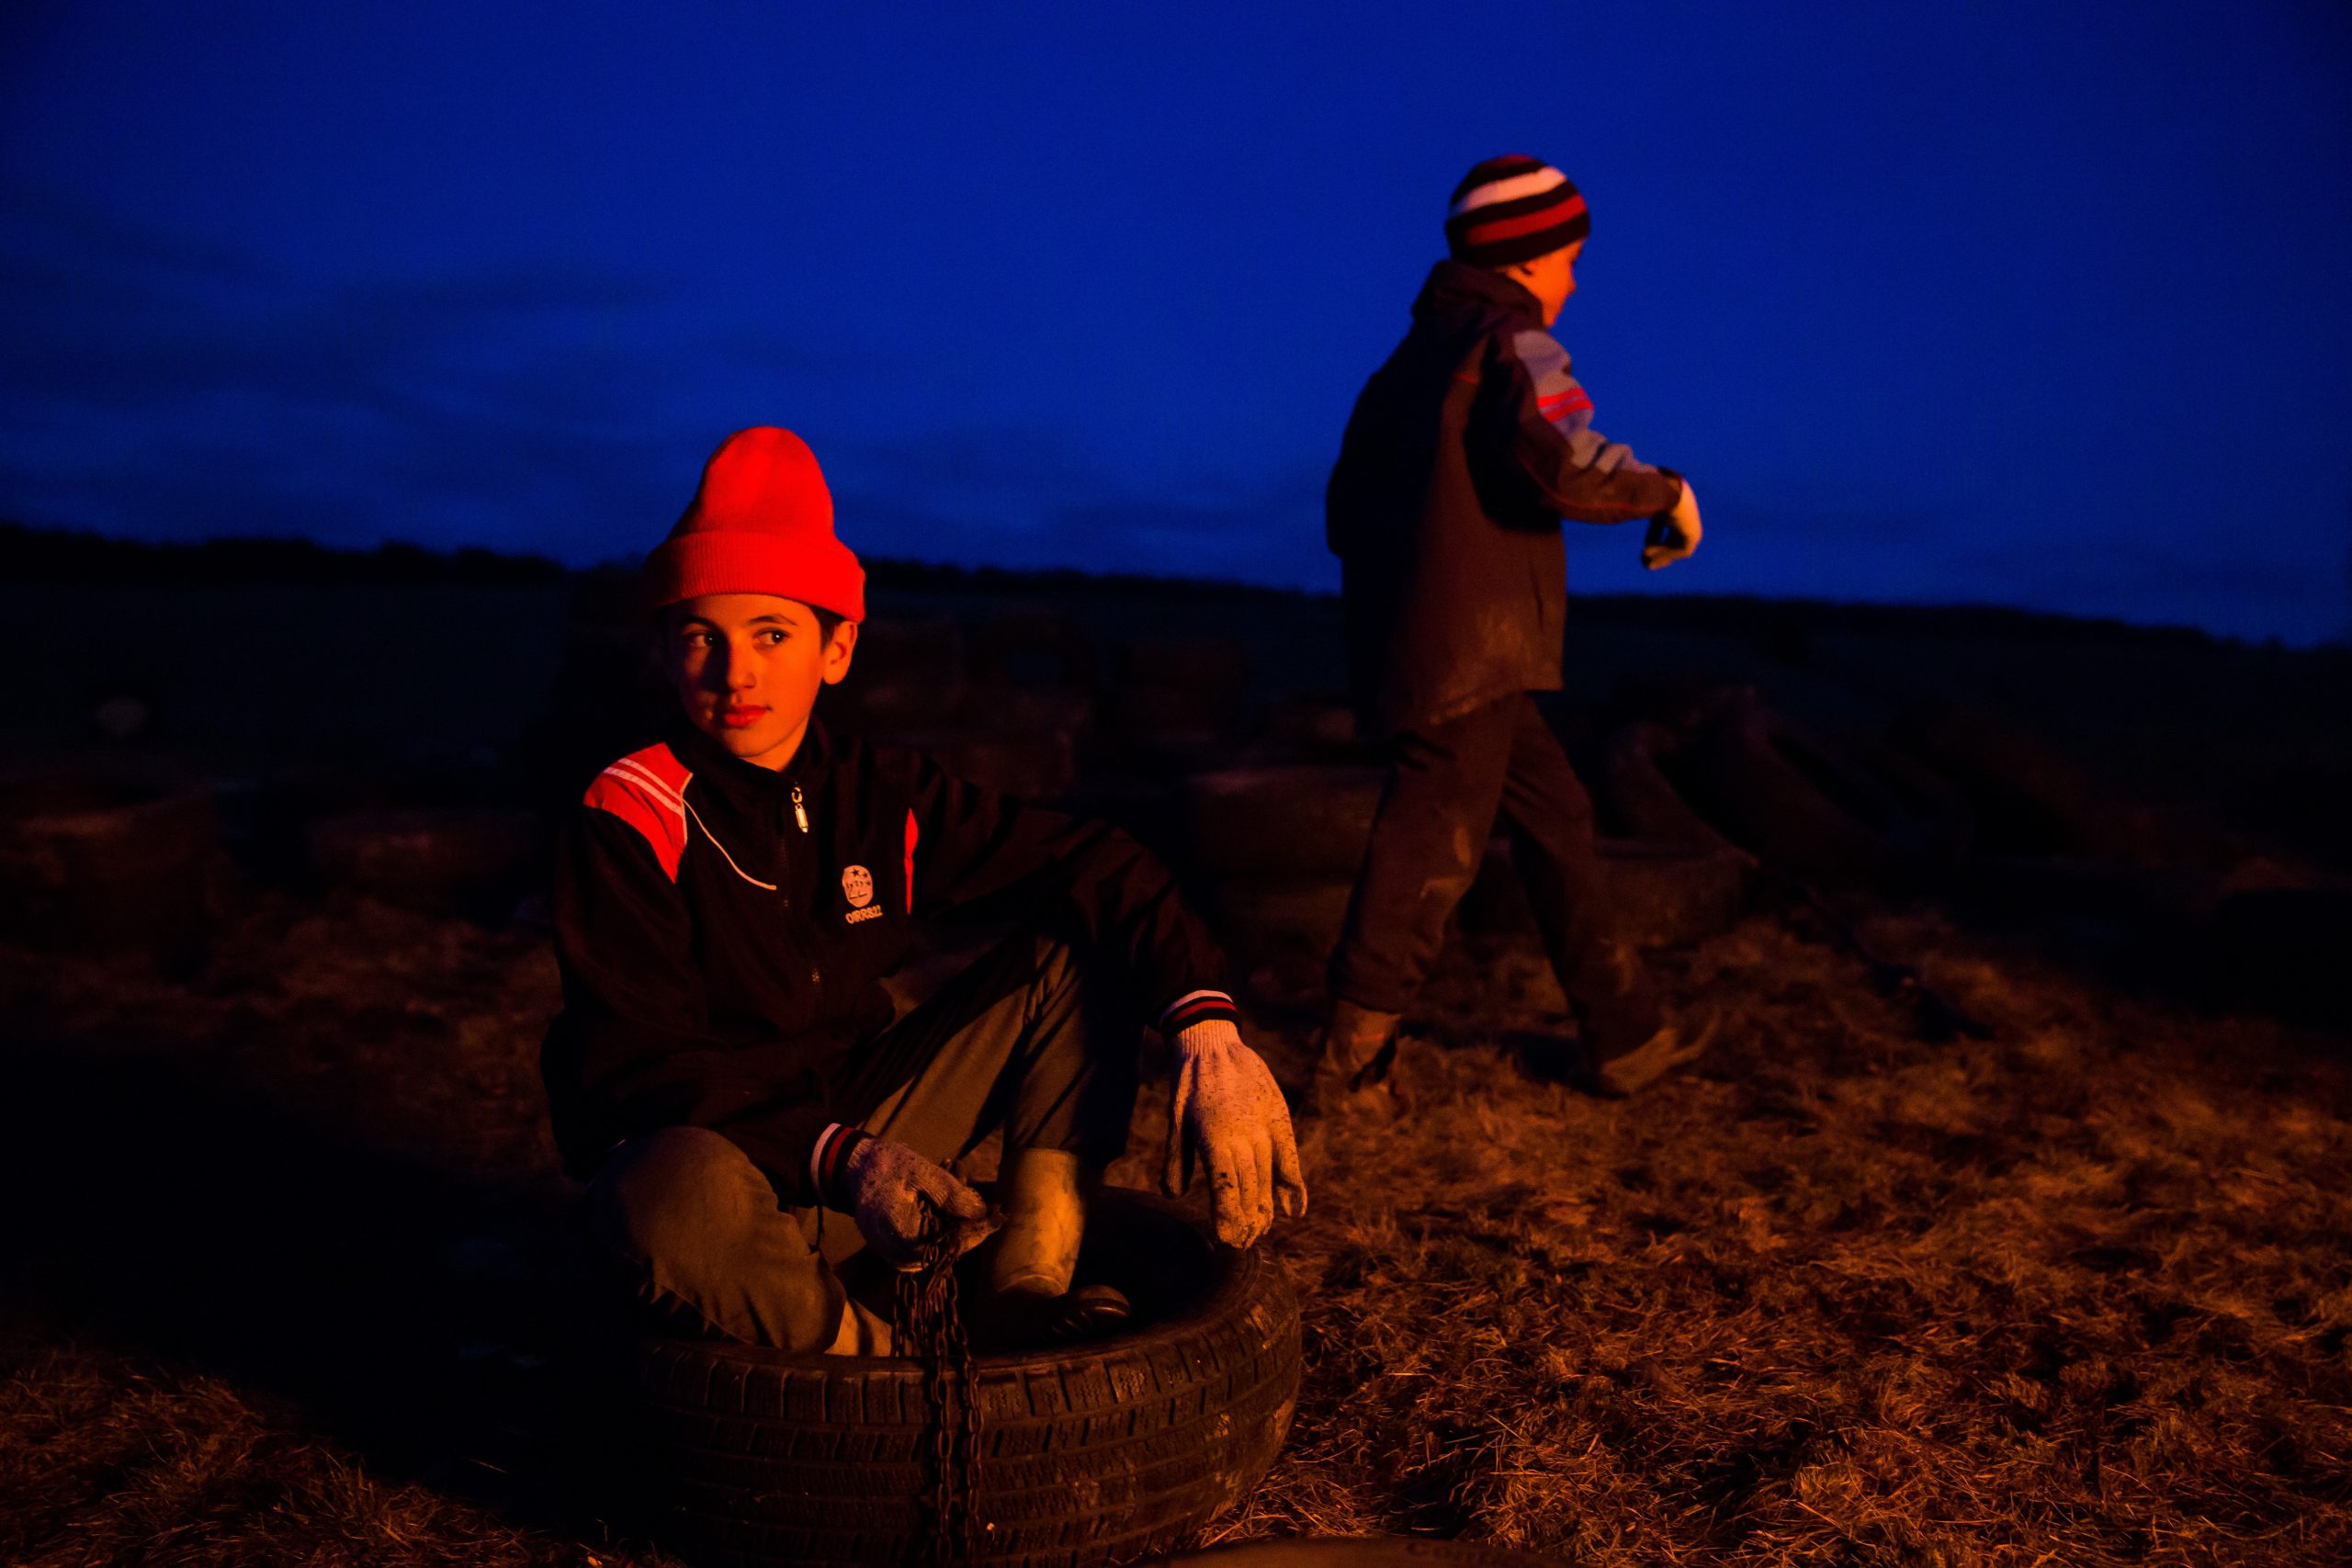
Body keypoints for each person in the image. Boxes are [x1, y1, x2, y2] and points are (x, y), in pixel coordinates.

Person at [543, 426, 1305, 1354]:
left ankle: (1023, 1292)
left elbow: (1096, 862)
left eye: (772, 634)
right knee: (662, 1194)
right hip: (723, 1164)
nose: (736, 673)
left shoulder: (878, 796)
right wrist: (844, 1157)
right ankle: (880, 1368)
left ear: (837, 648)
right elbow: (638, 1069)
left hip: (856, 1138)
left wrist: (1209, 1034)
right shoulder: (631, 811)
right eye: (703, 636)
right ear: (666, 651)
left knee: (1072, 954)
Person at [1317, 154, 1713, 1108]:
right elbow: (1563, 461)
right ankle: (1347, 1068)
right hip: (1473, 649)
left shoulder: (1404, 367)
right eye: (1570, 259)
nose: (1574, 281)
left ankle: (1625, 1035)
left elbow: (1342, 509)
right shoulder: (1510, 341)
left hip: (1436, 644)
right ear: (1527, 256)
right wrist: (1668, 492)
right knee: (1430, 846)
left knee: (1557, 816)